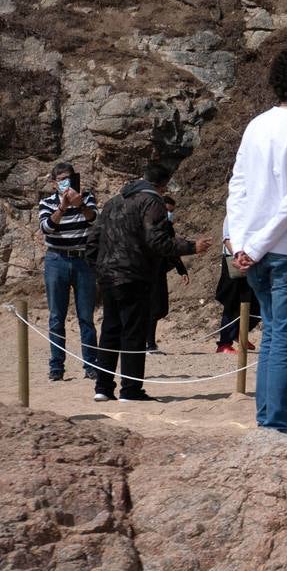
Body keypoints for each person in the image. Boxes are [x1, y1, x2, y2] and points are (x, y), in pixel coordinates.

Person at [225, 46, 287, 434]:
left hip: (252, 249)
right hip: (285, 249)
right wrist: (258, 243)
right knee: (283, 338)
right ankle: (275, 424)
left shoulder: (255, 125)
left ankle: (268, 420)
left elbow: (238, 186)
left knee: (269, 335)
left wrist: (238, 241)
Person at [88, 162, 210, 402]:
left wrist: (100, 268)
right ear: (162, 185)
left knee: (110, 331)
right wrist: (191, 247)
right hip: (134, 274)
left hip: (108, 276)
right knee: (133, 332)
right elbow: (157, 240)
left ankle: (102, 387)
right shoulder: (152, 202)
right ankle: (130, 390)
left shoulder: (113, 202)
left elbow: (93, 240)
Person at [38, 162, 99, 381]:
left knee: (86, 317)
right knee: (56, 317)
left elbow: (95, 221)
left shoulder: (87, 198)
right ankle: (56, 367)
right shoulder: (46, 202)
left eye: (69, 178)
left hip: (83, 261)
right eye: (62, 178)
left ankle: (91, 365)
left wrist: (80, 205)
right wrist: (62, 208)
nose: (66, 182)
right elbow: (46, 227)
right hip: (56, 260)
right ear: (54, 183)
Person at [145, 195, 189, 352]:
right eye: (168, 211)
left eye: (172, 212)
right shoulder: (148, 225)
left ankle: (148, 341)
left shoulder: (168, 227)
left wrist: (181, 270)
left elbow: (172, 248)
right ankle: (149, 343)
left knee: (161, 308)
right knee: (153, 307)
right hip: (147, 271)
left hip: (160, 270)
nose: (170, 214)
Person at [215, 215, 260, 353]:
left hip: (252, 260)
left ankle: (240, 334)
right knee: (232, 302)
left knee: (255, 303)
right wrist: (239, 255)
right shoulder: (233, 213)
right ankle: (224, 342)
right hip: (234, 261)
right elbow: (227, 238)